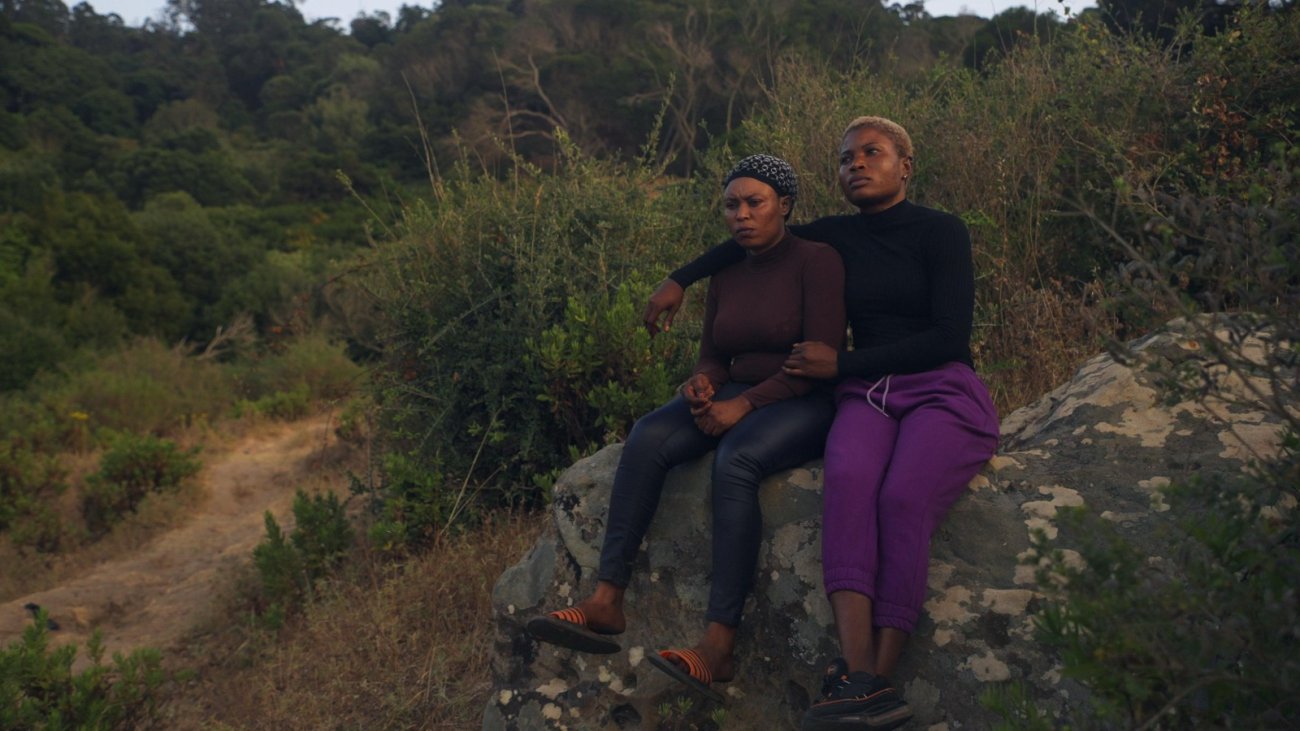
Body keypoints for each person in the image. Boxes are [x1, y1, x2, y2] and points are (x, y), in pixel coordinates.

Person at [644, 117, 1000, 730]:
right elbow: (753, 239)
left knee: (903, 497)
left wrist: (844, 362)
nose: (856, 165)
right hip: (864, 394)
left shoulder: (942, 232)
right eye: (844, 159)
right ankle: (857, 675)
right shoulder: (834, 238)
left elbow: (949, 336)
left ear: (904, 166)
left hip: (939, 386)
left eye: (872, 153)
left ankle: (875, 682)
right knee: (847, 480)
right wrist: (681, 279)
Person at [527, 154, 846, 702]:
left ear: (784, 206)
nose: (741, 215)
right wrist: (702, 384)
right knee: (649, 434)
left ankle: (718, 645)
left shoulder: (817, 261)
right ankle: (606, 600)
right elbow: (714, 356)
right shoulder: (724, 271)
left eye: (755, 203)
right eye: (731, 205)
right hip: (734, 392)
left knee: (736, 460)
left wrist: (742, 406)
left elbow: (818, 359)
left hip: (802, 398)